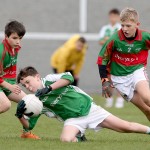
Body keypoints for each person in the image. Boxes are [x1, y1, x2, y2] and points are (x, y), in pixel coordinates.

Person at [15, 66, 150, 142]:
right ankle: (80, 138)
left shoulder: (50, 80)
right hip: (73, 120)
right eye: (24, 85)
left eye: (28, 81)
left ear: (37, 77)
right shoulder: (35, 102)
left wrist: (49, 88)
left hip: (90, 109)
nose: (27, 86)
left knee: (126, 127)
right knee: (65, 140)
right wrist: (20, 115)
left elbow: (69, 78)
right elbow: (30, 125)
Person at [97, 7, 150, 121]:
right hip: (119, 79)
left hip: (137, 71)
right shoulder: (114, 38)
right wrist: (104, 80)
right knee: (146, 109)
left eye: (128, 26)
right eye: (122, 25)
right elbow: (102, 59)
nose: (124, 29)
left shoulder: (145, 36)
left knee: (147, 98)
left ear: (137, 24)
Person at [0, 20, 39, 139]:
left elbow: (9, 70)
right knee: (5, 105)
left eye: (20, 38)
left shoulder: (16, 47)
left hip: (8, 83)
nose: (18, 41)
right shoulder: (1, 51)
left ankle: (26, 133)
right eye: (14, 38)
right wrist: (8, 86)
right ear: (6, 36)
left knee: (31, 103)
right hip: (3, 84)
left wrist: (14, 82)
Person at [98, 8, 124, 108]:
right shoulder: (105, 28)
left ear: (118, 17)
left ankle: (119, 100)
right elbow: (101, 41)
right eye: (111, 16)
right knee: (107, 78)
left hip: (118, 57)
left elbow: (120, 42)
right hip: (107, 57)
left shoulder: (120, 28)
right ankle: (109, 99)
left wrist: (108, 40)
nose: (113, 18)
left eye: (115, 16)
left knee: (119, 77)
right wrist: (110, 41)